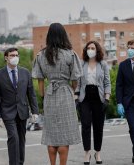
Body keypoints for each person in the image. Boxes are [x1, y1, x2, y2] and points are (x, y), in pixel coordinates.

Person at [32, 23, 83, 165]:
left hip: (49, 95)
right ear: (63, 35)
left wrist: (43, 96)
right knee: (64, 136)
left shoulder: (41, 55)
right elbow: (75, 80)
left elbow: (40, 81)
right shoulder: (70, 54)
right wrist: (72, 90)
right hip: (65, 93)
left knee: (51, 135)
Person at [0, 47, 39, 165]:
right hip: (7, 112)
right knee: (13, 137)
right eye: (12, 55)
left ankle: (20, 162)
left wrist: (35, 111)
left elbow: (31, 93)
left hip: (22, 111)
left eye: (17, 55)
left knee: (21, 139)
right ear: (6, 58)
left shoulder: (25, 72)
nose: (15, 58)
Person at [75, 40, 111, 164]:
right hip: (85, 97)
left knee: (98, 126)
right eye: (89, 48)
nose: (91, 50)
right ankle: (87, 153)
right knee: (85, 125)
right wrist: (76, 99)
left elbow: (107, 83)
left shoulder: (103, 64)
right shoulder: (81, 64)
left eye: (93, 48)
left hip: (99, 96)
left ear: (97, 50)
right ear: (86, 50)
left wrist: (107, 98)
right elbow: (78, 84)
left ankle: (98, 152)